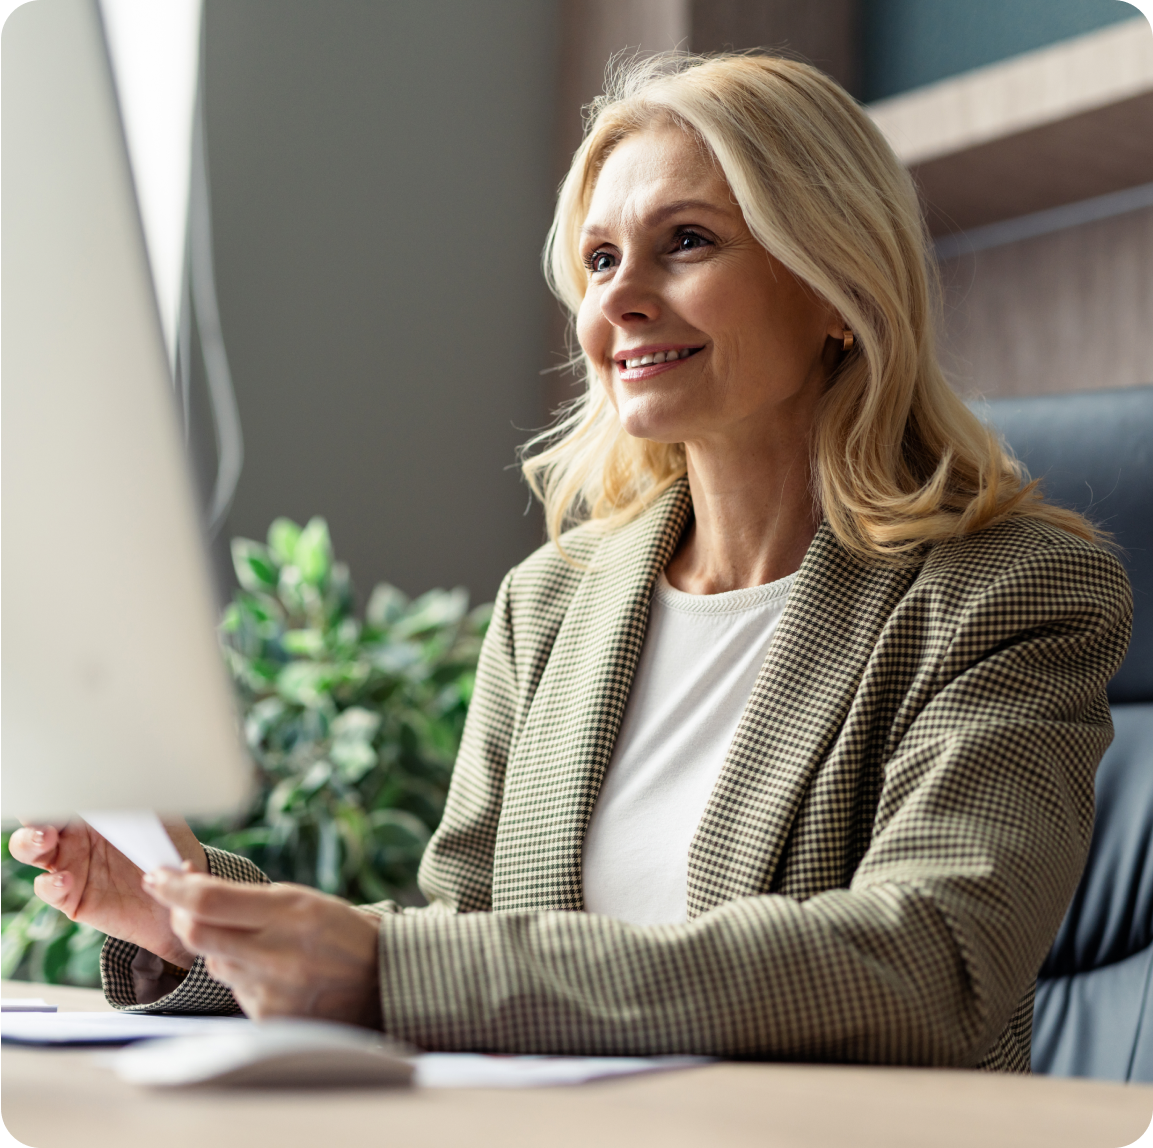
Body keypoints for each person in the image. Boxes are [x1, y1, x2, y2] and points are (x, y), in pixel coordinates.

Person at [12, 52, 1131, 1070]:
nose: (616, 301)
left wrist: (388, 969)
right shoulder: (550, 604)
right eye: (598, 260)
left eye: (683, 241)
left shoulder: (1008, 594)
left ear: (835, 286)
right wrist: (193, 918)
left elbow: (933, 956)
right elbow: (461, 940)